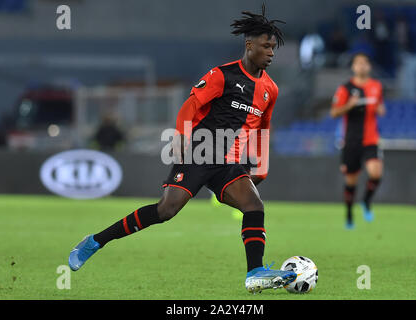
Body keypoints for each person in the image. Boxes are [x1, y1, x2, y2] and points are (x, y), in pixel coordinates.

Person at [68, 5, 297, 294]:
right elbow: (191, 106)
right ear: (249, 45)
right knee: (166, 210)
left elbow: (264, 127)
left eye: (273, 47)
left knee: (254, 205)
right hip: (200, 152)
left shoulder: (270, 89)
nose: (272, 53)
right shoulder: (221, 75)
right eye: (266, 46)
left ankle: (254, 272)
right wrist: (180, 137)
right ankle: (96, 241)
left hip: (230, 162)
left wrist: (261, 165)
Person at [330, 52, 386, 229]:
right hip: (352, 141)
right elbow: (334, 113)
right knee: (351, 181)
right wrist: (350, 105)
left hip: (371, 139)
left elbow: (380, 106)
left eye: (365, 63)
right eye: (358, 63)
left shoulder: (377, 86)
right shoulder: (345, 88)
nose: (361, 66)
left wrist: (380, 109)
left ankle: (366, 201)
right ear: (353, 67)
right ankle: (349, 214)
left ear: (369, 67)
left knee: (376, 173)